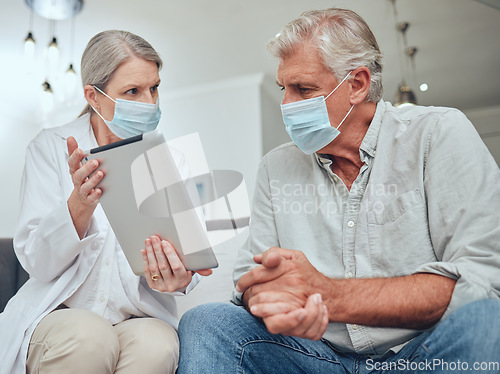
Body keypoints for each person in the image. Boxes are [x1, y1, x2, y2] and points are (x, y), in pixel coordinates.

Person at [177, 8, 500, 374]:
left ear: (357, 84)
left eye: (304, 89)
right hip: (317, 357)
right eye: (284, 89)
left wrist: (329, 296)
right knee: (207, 323)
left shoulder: (438, 134)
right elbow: (248, 281)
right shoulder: (275, 167)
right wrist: (275, 300)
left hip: (422, 353)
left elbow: (481, 279)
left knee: (487, 321)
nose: (286, 106)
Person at [0, 30, 211, 374]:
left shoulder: (172, 161)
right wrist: (79, 205)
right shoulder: (49, 147)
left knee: (158, 347)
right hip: (57, 314)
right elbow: (37, 263)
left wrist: (179, 278)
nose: (149, 103)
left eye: (154, 88)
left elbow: (189, 264)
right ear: (93, 97)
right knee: (90, 337)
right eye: (132, 91)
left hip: (138, 315)